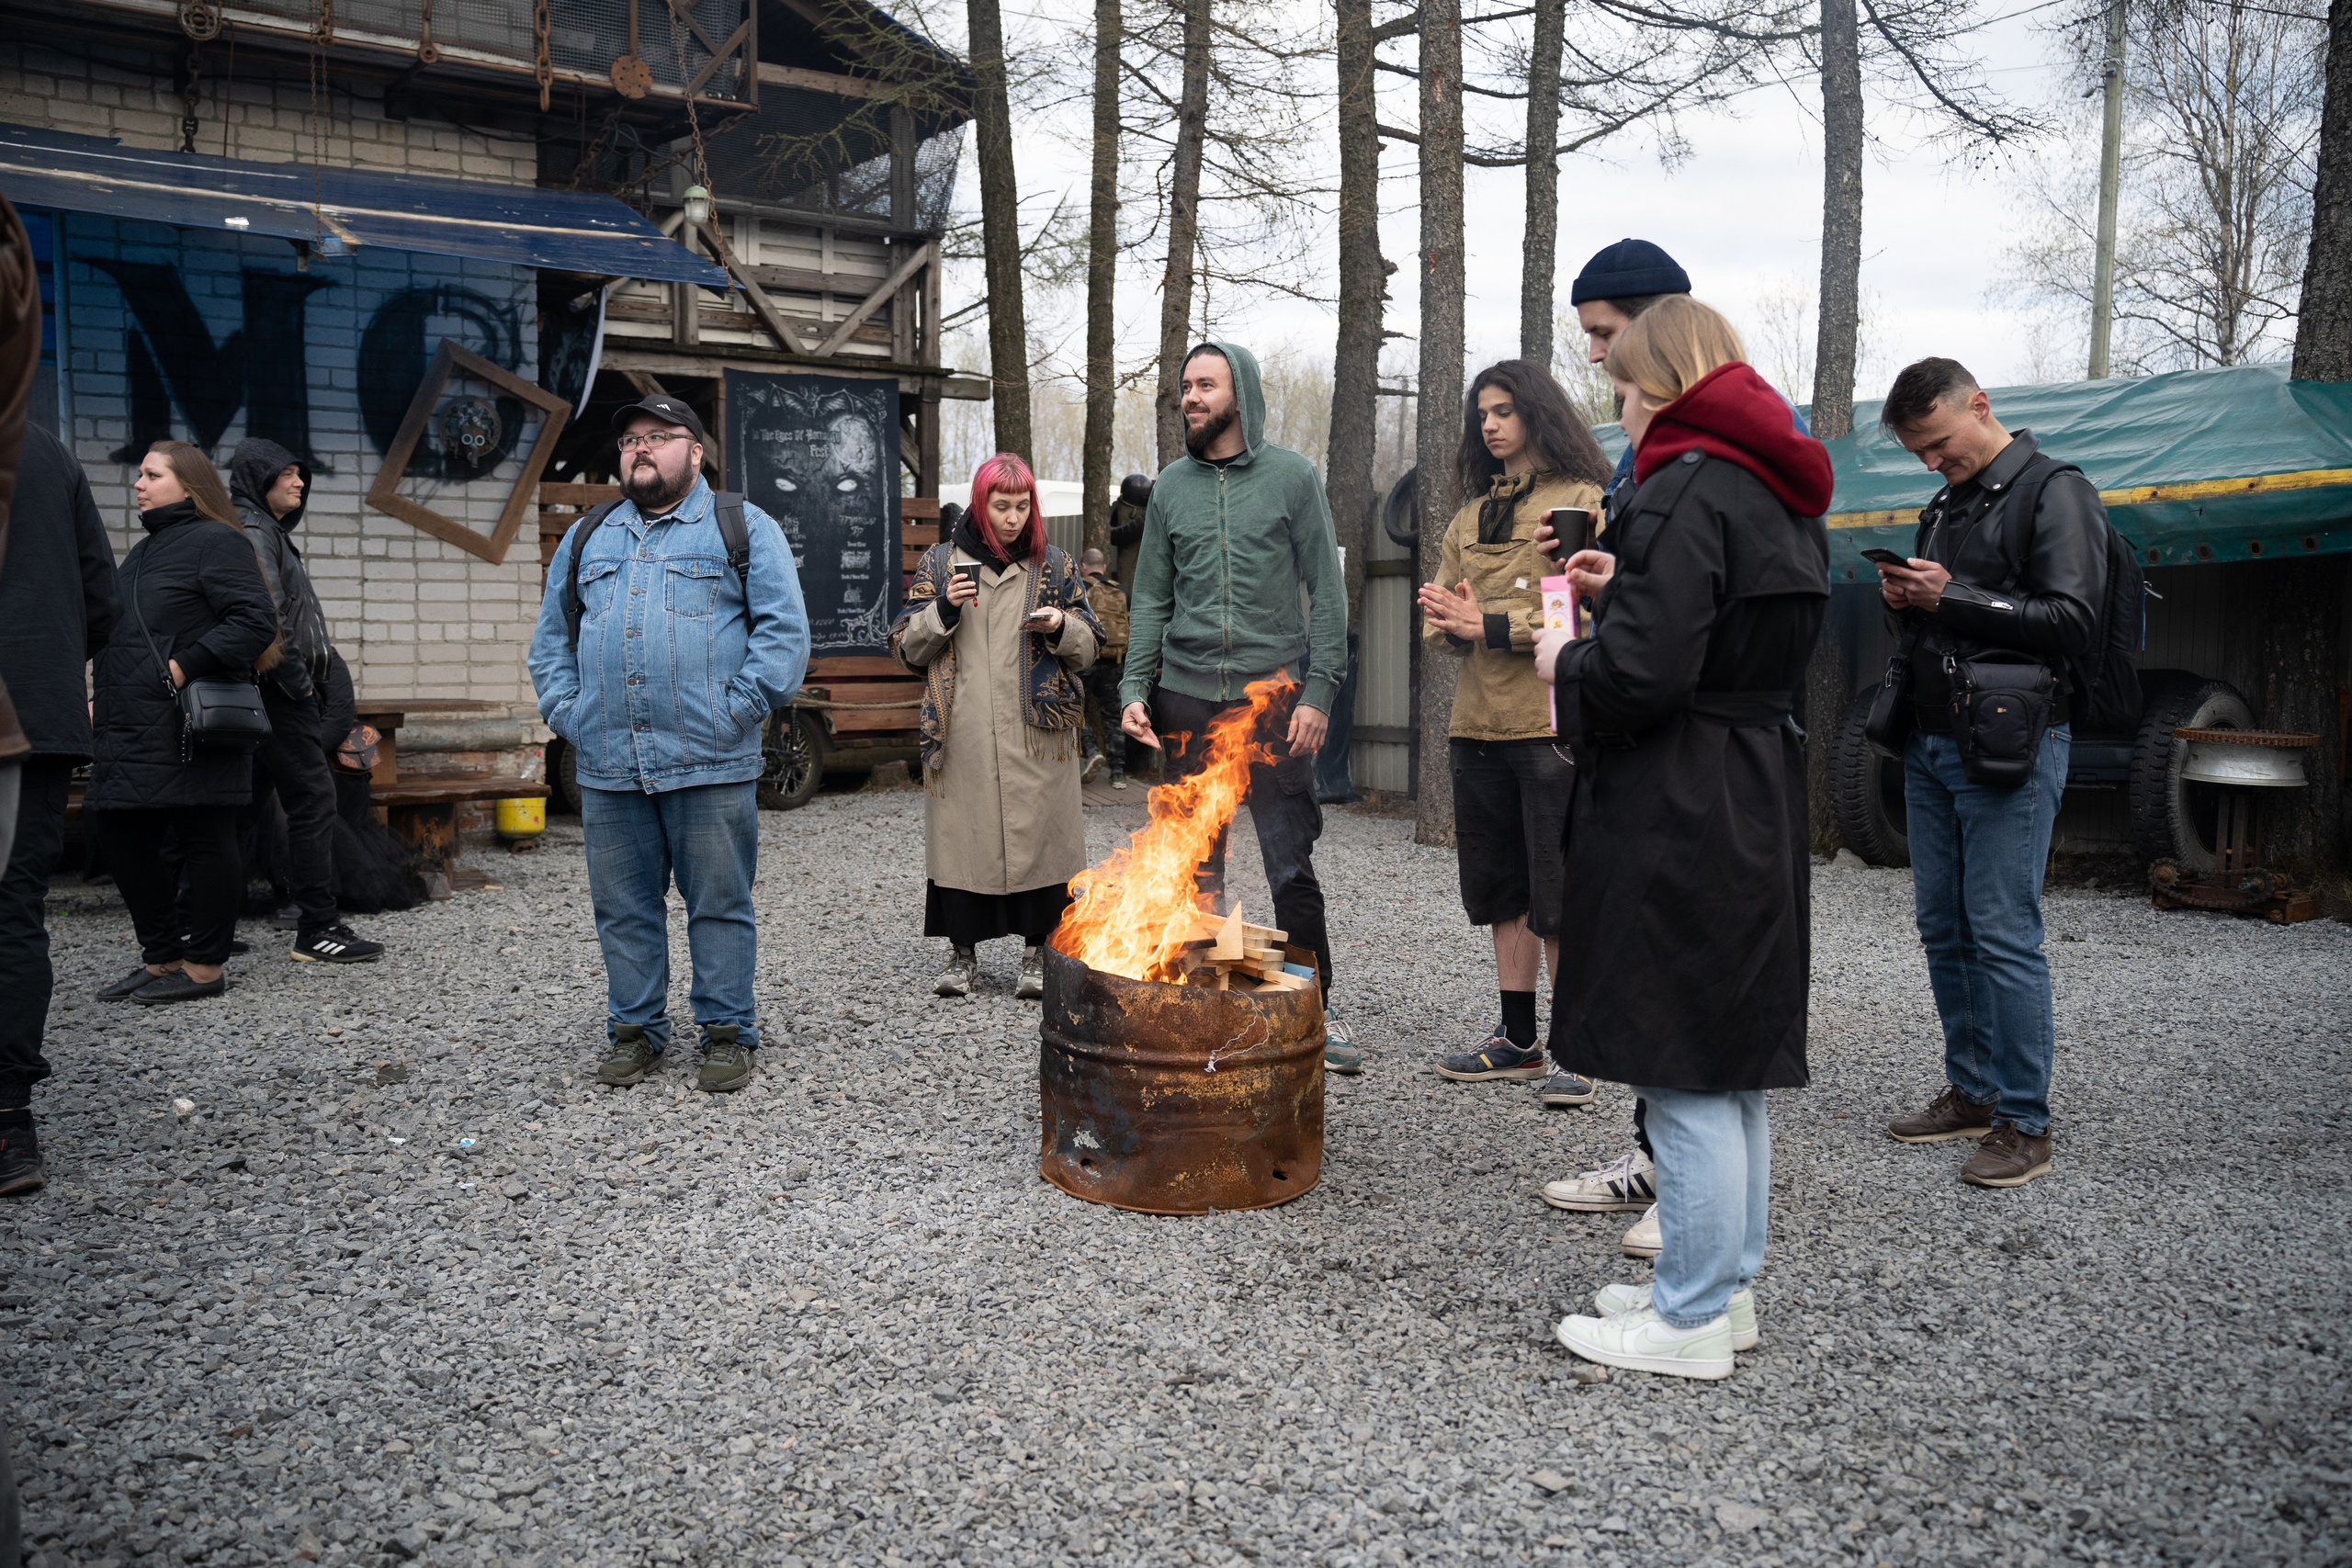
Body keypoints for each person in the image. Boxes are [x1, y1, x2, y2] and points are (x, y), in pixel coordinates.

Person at [1540, 296, 1831, 1380]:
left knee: (1682, 1067)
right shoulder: (1774, 484)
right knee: (1726, 1058)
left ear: (1661, 385)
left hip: (1679, 796)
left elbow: (1641, 676)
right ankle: (1724, 1291)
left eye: (1622, 386)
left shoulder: (1683, 485)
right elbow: (1730, 623)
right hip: (1752, 779)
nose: (1617, 409)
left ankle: (1689, 1316)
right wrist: (1635, 583)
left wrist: (1565, 662)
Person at [527, 394, 810, 1094]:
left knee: (719, 902)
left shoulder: (743, 527)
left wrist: (734, 712)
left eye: (659, 435)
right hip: (608, 762)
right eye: (630, 440)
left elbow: (784, 636)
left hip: (711, 760)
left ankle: (727, 1031)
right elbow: (550, 642)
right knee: (624, 907)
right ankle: (635, 1030)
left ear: (697, 452)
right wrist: (572, 714)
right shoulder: (589, 536)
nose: (641, 448)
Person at [1874, 358, 2107, 1189]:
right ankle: (1973, 1091)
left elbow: (2074, 619)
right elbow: (1945, 618)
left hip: (2013, 743)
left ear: (1979, 405)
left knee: (2004, 929)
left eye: (1938, 443)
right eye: (1918, 453)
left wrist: (1951, 596)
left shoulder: (2057, 491)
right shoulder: (1947, 503)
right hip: (1933, 741)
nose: (1932, 461)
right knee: (1944, 925)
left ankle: (2025, 1122)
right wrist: (1905, 600)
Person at [1117, 342, 1352, 1068]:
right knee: (1198, 869)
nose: (1190, 397)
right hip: (1186, 698)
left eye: (1205, 385)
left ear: (1240, 394)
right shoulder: (1171, 488)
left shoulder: (1293, 477)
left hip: (1273, 702)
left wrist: (1320, 690)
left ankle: (1314, 1010)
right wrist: (1134, 688)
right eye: (1186, 385)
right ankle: (1212, 1005)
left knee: (1290, 867)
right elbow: (1150, 597)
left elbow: (1328, 590)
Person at [1418, 360, 1610, 1100]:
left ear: (1537, 412)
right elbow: (1438, 624)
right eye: (1483, 415)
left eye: (1504, 411)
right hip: (1478, 726)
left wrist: (1487, 622)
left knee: (1558, 888)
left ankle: (1576, 1049)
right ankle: (1518, 1038)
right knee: (1502, 888)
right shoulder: (1468, 517)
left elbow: (1579, 612)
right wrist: (1452, 620)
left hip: (1549, 724)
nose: (1491, 425)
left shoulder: (1580, 501)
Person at [892, 453, 1102, 1000]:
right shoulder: (941, 563)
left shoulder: (1056, 565)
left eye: (1022, 506)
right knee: (963, 845)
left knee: (1045, 844)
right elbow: (905, 646)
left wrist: (1062, 625)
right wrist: (943, 610)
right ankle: (963, 954)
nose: (1013, 518)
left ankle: (1039, 952)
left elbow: (1092, 645)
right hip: (962, 732)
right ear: (980, 505)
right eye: (1001, 506)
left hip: (1040, 735)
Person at [85, 441, 279, 1007]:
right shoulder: (143, 551)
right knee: (119, 833)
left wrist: (180, 667)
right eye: (140, 475)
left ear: (188, 484)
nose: (138, 484)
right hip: (129, 721)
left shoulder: (217, 540)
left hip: (186, 724)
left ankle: (204, 966)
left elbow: (254, 620)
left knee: (204, 835)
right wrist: (105, 696)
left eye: (152, 475)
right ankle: (162, 957)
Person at [229, 437, 383, 964]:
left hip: (272, 692)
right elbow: (268, 619)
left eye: (300, 474)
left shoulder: (262, 529)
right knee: (313, 802)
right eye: (287, 474)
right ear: (259, 479)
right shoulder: (255, 529)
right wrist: (299, 686)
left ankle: (204, 927)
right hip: (278, 693)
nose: (299, 483)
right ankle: (317, 928)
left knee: (241, 808)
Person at [1075, 547, 1132, 789]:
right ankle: (1118, 773)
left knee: (1075, 710)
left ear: (1083, 566)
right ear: (1105, 567)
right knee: (1113, 717)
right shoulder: (1122, 591)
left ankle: (1091, 751)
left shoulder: (1079, 588)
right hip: (1114, 662)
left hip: (1086, 661)